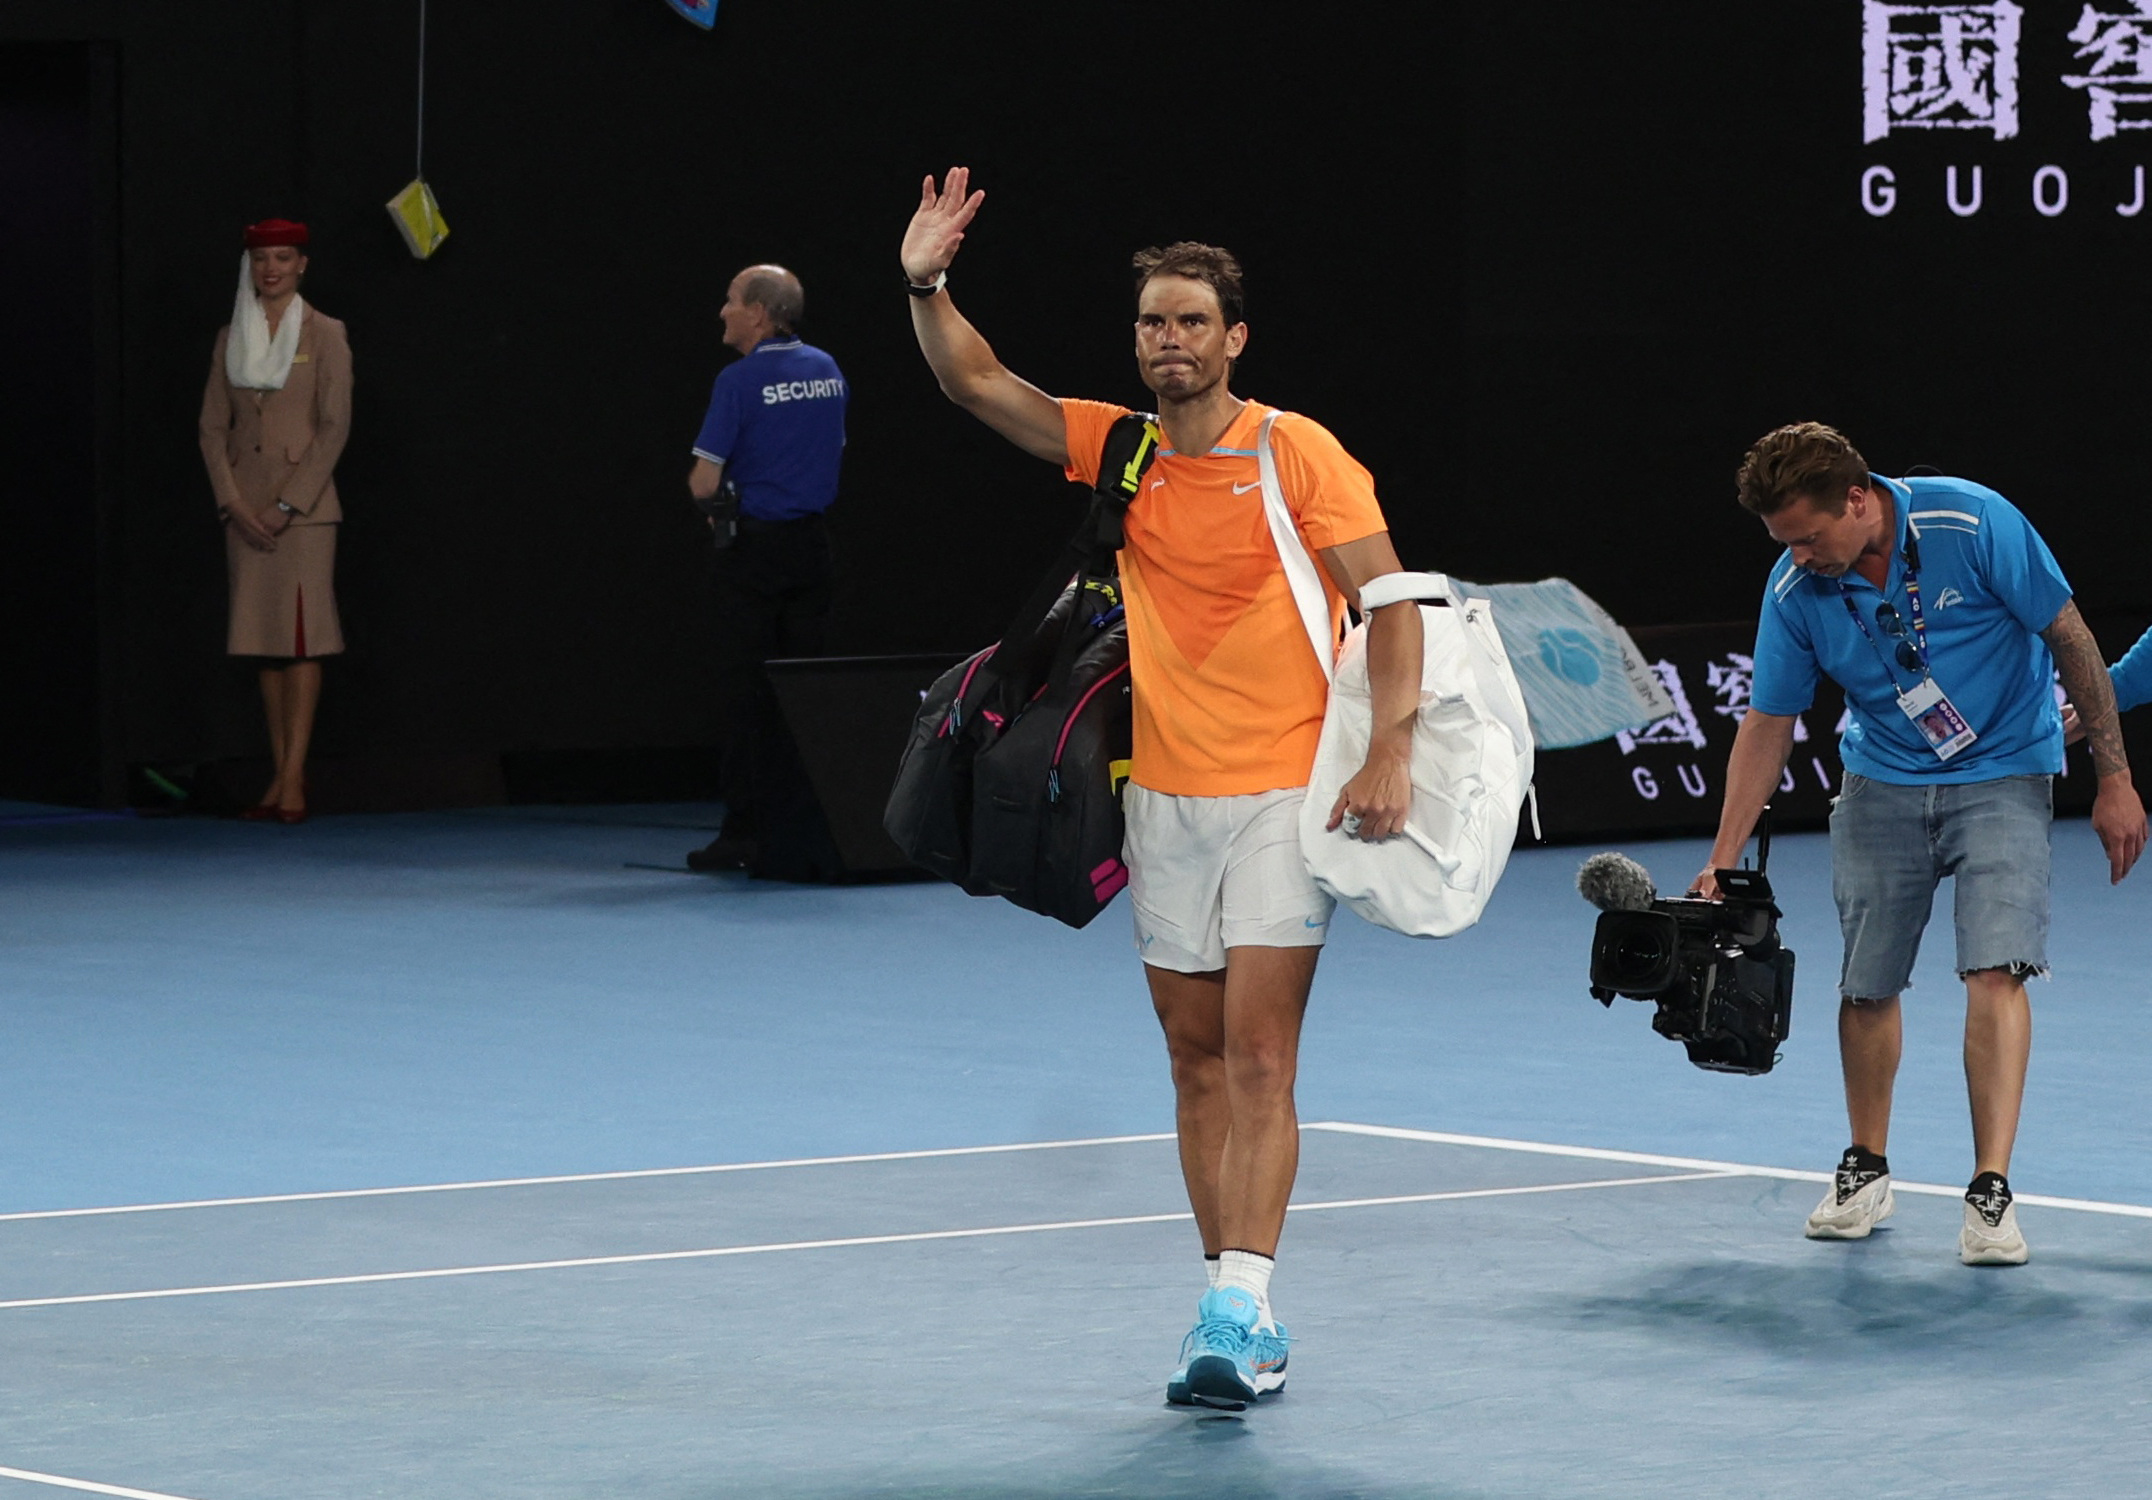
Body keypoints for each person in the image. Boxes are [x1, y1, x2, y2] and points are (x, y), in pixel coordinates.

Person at [900, 168, 1423, 1409]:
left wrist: (1388, 746)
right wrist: (925, 281)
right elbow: (975, 383)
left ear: (1234, 338)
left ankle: (1237, 1304)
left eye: (1192, 321)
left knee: (1256, 1056)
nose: (1170, 340)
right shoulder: (1121, 448)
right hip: (1162, 802)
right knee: (1192, 1061)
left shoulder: (1294, 450)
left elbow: (1396, 600)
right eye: (1152, 322)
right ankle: (1232, 1305)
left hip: (1284, 800)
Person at [1694, 421, 2145, 1266]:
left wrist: (2113, 778)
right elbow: (1768, 722)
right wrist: (1723, 854)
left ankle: (1990, 1189)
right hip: (1880, 782)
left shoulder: (1973, 525)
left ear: (1858, 499)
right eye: (1783, 542)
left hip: (2006, 772)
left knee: (1995, 969)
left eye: (1809, 535)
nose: (1799, 556)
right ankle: (1865, 1166)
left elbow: (2070, 638)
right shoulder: (1794, 589)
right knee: (1865, 985)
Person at [682, 264, 848, 874]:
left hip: (753, 555)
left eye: (729, 301)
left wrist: (714, 508)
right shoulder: (828, 370)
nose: (722, 312)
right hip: (812, 550)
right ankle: (807, 825)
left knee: (746, 692)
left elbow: (704, 480)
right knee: (805, 692)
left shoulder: (739, 381)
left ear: (757, 312)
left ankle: (744, 831)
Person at [198, 218, 351, 824]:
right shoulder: (229, 336)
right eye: (262, 258)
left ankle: (292, 779)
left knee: (301, 637)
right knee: (265, 643)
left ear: (302, 265)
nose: (271, 269)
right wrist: (233, 502)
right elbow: (212, 428)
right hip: (243, 508)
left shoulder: (327, 333)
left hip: (304, 512)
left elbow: (335, 426)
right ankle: (280, 772)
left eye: (283, 258)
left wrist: (290, 505)